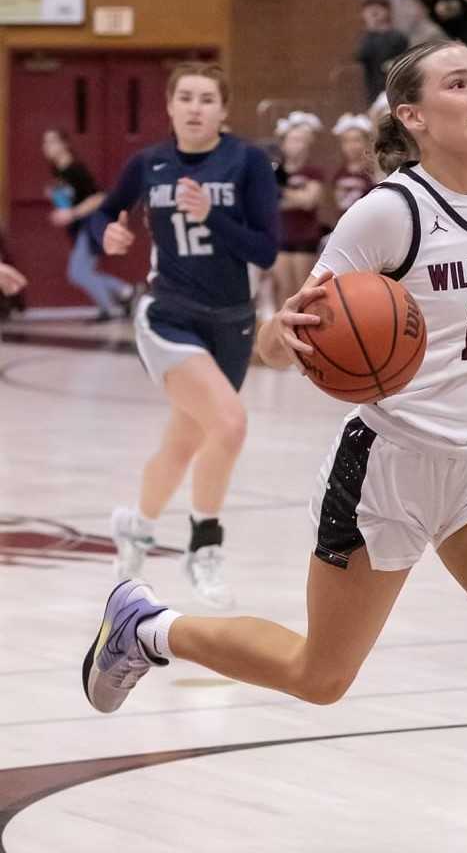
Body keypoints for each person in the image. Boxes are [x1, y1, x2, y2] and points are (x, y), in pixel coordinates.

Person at [83, 41, 467, 853]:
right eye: (457, 84)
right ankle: (148, 627)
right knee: (320, 677)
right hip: (389, 467)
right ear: (412, 116)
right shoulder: (386, 212)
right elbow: (290, 333)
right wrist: (274, 336)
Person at [87, 62, 280, 607]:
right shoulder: (149, 163)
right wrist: (112, 233)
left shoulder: (246, 163)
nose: (195, 107)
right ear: (170, 106)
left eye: (207, 98)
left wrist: (211, 215)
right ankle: (205, 546)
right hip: (168, 315)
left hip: (233, 322)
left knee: (184, 442)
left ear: (224, 109)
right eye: (186, 98)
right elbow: (103, 215)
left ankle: (138, 527)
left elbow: (266, 250)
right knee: (231, 423)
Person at [42, 129, 134, 321]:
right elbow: (69, 203)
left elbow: (99, 197)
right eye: (45, 143)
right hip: (79, 228)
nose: (47, 147)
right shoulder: (58, 173)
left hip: (91, 225)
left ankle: (111, 308)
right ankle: (127, 292)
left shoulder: (76, 169)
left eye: (52, 142)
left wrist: (72, 213)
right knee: (81, 271)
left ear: (64, 144)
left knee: (77, 272)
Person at [272, 112, 326, 307]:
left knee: (304, 290)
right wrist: (296, 196)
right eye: (294, 140)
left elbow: (309, 200)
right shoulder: (275, 171)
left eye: (303, 141)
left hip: (305, 237)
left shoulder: (312, 171)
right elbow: (270, 202)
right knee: (283, 289)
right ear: (284, 143)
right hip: (281, 237)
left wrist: (283, 192)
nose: (298, 145)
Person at [355, 0, 410, 106]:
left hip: (394, 85)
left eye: (377, 9)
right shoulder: (366, 37)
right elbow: (361, 56)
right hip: (372, 86)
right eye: (369, 11)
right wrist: (371, 30)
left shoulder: (397, 36)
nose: (373, 14)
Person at [330, 113, 377, 218]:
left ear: (366, 142)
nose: (351, 146)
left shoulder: (374, 172)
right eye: (346, 141)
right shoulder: (339, 174)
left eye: (356, 140)